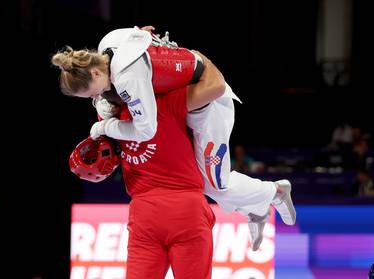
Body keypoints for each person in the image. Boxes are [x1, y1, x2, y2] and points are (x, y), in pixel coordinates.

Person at [52, 26, 296, 252]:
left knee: (212, 184)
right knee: (108, 107)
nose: (96, 96)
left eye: (93, 90)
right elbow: (143, 31)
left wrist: (105, 126)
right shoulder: (109, 41)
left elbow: (145, 131)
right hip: (184, 103)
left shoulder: (127, 77)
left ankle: (274, 191)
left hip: (208, 105)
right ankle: (253, 207)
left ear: (95, 71)